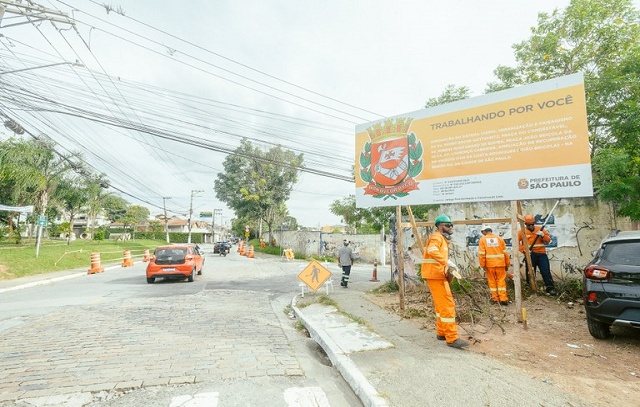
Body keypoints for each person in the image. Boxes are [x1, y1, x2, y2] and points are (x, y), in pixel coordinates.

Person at [421, 214, 469, 349]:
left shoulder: (441, 238)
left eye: (451, 225)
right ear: (440, 226)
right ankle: (452, 338)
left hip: (436, 275)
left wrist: (448, 265)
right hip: (436, 275)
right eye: (448, 225)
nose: (450, 227)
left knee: (440, 306)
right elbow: (432, 250)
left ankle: (442, 332)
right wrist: (446, 261)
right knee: (447, 305)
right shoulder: (436, 237)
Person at [518, 214, 557, 295]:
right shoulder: (521, 232)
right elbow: (516, 243)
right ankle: (531, 288)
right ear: (526, 225)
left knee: (545, 271)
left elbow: (548, 240)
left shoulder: (540, 230)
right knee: (530, 272)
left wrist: (542, 235)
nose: (531, 226)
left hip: (542, 254)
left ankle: (550, 288)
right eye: (529, 225)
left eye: (532, 224)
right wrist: (524, 250)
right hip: (530, 255)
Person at [478, 224, 511, 305]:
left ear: (484, 231)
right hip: (500, 264)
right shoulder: (500, 239)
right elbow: (505, 253)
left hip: (489, 265)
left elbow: (481, 254)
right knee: (501, 281)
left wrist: (483, 265)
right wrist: (507, 264)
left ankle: (495, 299)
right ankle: (503, 299)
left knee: (492, 282)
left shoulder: (483, 239)